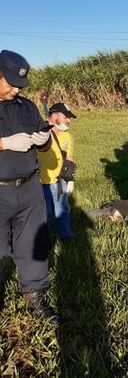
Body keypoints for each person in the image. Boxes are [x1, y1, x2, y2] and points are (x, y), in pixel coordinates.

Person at [0, 50, 59, 322]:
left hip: (29, 187)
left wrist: (43, 138)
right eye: (10, 82)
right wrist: (5, 143)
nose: (15, 89)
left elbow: (45, 145)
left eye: (20, 85)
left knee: (32, 243)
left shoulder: (28, 107)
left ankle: (34, 299)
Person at [37, 103, 77, 241]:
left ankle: (66, 236)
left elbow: (70, 158)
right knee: (44, 213)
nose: (68, 121)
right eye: (66, 117)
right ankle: (43, 239)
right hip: (40, 182)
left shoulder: (68, 136)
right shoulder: (39, 132)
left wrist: (70, 180)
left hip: (59, 182)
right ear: (55, 115)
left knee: (63, 210)